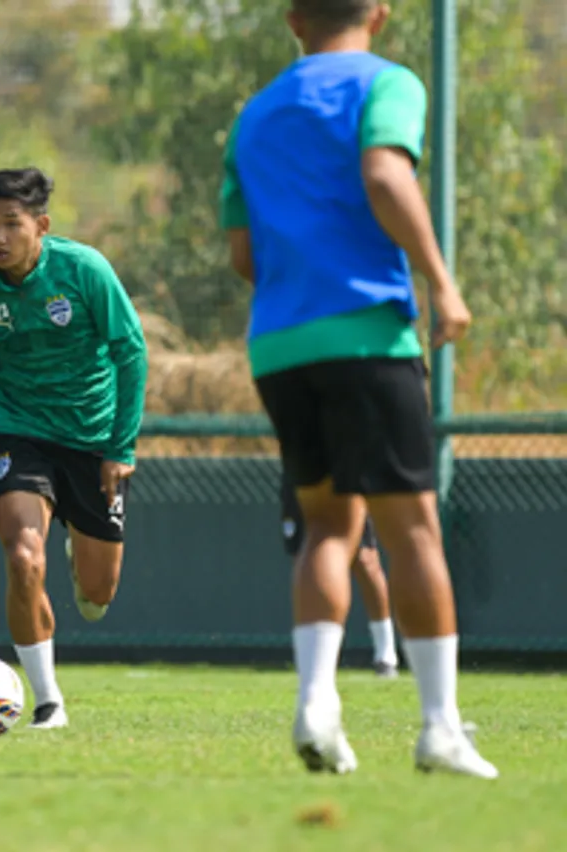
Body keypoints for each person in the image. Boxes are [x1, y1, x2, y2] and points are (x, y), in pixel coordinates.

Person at [220, 0, 496, 777]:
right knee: (411, 531)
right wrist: (442, 284)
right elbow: (384, 173)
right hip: (368, 335)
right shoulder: (389, 83)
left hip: (279, 347)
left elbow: (243, 254)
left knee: (327, 528)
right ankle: (440, 727)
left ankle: (316, 705)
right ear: (379, 14)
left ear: (291, 19)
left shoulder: (255, 114)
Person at [0, 167, 148, 730]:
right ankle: (48, 702)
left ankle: (81, 544)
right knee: (23, 559)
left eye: (11, 224)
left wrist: (120, 447)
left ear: (41, 226)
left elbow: (132, 352)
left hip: (94, 441)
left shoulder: (84, 271)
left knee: (97, 597)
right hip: (21, 436)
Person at [281, 474, 398, 678]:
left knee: (364, 559)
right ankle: (316, 658)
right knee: (306, 558)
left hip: (345, 469)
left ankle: (386, 653)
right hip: (303, 470)